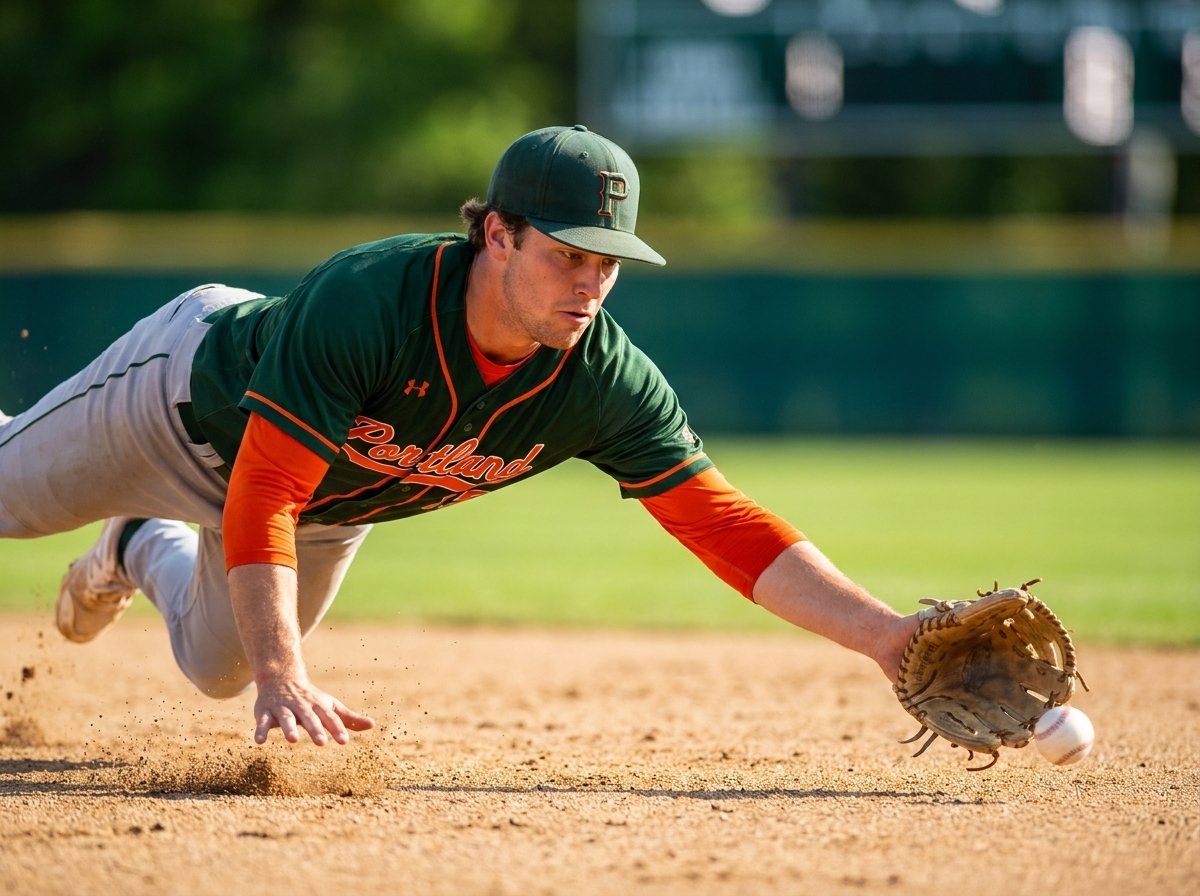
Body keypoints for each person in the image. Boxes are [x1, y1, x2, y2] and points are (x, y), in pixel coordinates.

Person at [0, 125, 918, 747]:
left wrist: (884, 635)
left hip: (319, 506)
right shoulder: (371, 301)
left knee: (215, 669)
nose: (590, 285)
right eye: (567, 253)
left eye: (608, 264)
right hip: (181, 409)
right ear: (497, 235)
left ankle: (136, 544)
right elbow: (263, 488)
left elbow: (720, 522)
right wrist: (289, 673)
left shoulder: (600, 377)